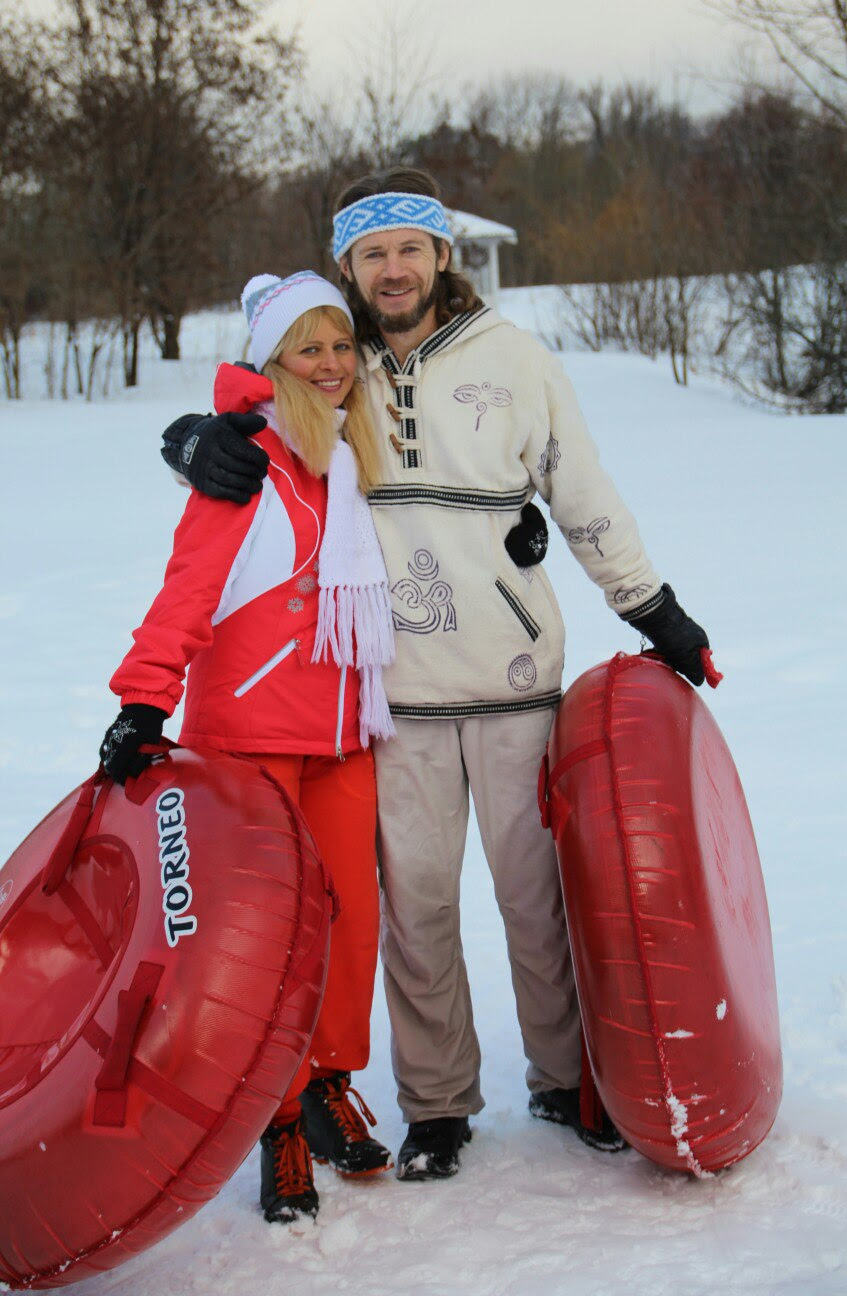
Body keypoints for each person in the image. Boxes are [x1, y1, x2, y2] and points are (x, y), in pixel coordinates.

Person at [160, 169, 712, 1182]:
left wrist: (651, 607)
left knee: (536, 898)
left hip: (511, 675)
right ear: (348, 269)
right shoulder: (335, 363)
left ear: (442, 255)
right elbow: (255, 414)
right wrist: (193, 442)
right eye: (372, 254)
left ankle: (561, 1078)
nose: (394, 268)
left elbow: (584, 491)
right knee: (413, 906)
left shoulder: (515, 358)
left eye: (410, 247)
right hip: (388, 692)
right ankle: (438, 1105)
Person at [100, 271, 398, 1223]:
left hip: (348, 737)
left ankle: (328, 1083)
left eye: (342, 346)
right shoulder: (244, 462)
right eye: (308, 349)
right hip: (251, 749)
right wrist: (145, 703)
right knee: (267, 943)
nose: (331, 366)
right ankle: (273, 1118)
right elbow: (188, 591)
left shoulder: (358, 455)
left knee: (350, 925)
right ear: (271, 363)